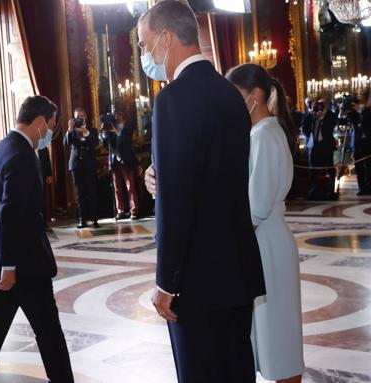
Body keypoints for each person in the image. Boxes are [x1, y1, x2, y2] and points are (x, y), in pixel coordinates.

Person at [138, 1, 266, 382]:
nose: (146, 55)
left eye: (145, 45)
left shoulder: (172, 99)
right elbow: (212, 173)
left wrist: (166, 283)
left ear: (165, 37)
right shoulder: (230, 95)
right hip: (237, 272)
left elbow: (179, 203)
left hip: (196, 281)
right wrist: (160, 177)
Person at [0, 96, 74, 383]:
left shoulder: (1, 148)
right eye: (50, 126)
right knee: (48, 329)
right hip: (22, 265)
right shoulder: (22, 156)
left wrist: (3, 264)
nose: (50, 134)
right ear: (39, 123)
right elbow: (10, 215)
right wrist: (10, 266)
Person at [227, 63, 305, 383]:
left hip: (268, 242)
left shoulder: (264, 134)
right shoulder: (260, 132)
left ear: (254, 96)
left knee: (279, 334)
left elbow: (256, 206)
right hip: (266, 240)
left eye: (235, 96)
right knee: (270, 329)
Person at [64, 107, 100, 229]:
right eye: (77, 116)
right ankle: (81, 219)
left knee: (92, 192)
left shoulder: (92, 130)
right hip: (76, 165)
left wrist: (86, 132)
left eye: (82, 116)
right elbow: (66, 143)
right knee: (80, 194)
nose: (80, 118)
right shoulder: (72, 131)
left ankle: (94, 219)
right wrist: (69, 129)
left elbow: (95, 142)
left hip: (89, 164)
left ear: (86, 117)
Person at [99, 112, 139, 220]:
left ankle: (133, 210)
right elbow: (104, 143)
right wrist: (103, 131)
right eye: (116, 120)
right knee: (117, 188)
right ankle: (120, 211)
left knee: (130, 186)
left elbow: (127, 142)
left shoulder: (127, 130)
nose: (117, 122)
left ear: (124, 120)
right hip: (115, 161)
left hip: (126, 161)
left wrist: (116, 131)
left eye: (119, 120)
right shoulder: (111, 130)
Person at [301, 98, 337, 199]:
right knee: (313, 169)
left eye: (323, 104)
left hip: (326, 145)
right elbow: (305, 128)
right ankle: (314, 189)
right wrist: (311, 112)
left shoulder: (330, 115)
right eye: (319, 104)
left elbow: (331, 125)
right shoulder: (312, 115)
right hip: (314, 145)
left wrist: (323, 117)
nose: (320, 107)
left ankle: (331, 190)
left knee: (330, 168)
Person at [353, 91, 371, 195]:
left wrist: (361, 112)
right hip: (358, 143)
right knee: (358, 166)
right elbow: (343, 122)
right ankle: (362, 188)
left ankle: (369, 187)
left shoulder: (368, 111)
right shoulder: (354, 112)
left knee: (369, 166)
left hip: (368, 143)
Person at [38, 146, 55, 232]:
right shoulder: (25, 146)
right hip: (29, 177)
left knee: (42, 200)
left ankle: (44, 224)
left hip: (42, 176)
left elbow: (47, 160)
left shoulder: (42, 145)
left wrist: (49, 174)